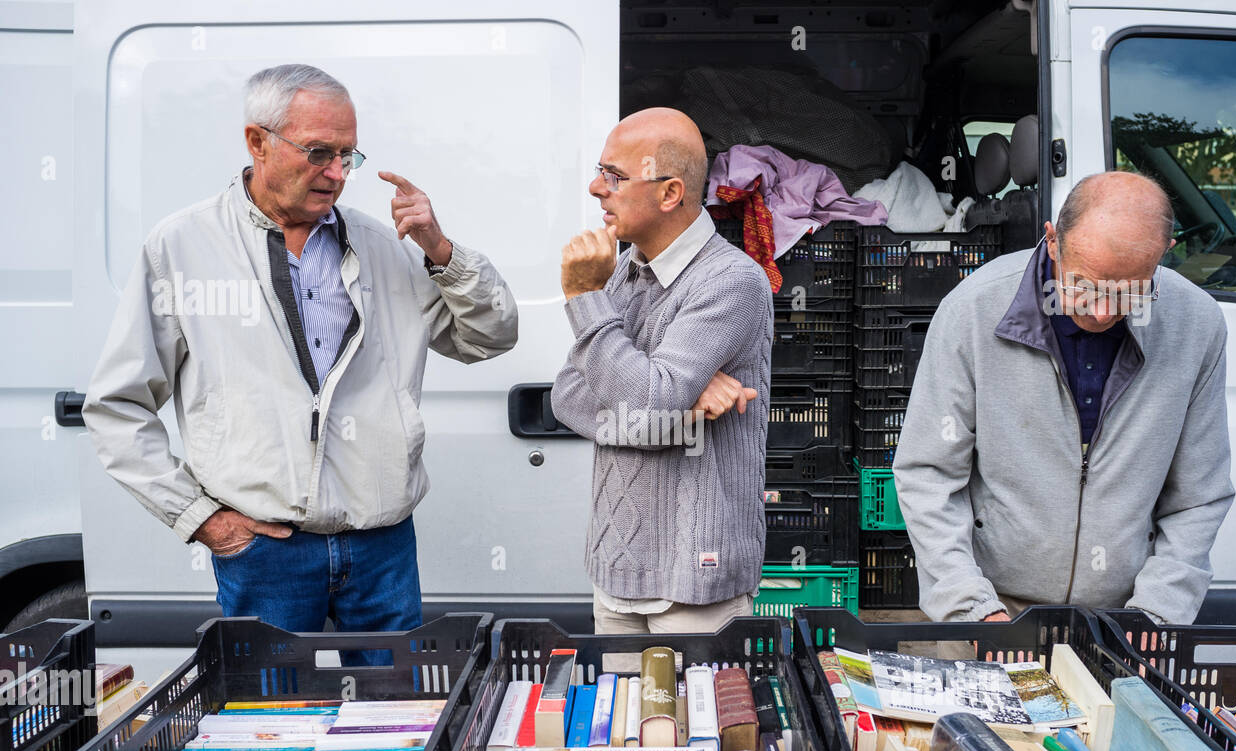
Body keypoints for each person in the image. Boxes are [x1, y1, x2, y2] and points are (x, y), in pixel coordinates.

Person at [82, 64, 518, 659]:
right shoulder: (181, 246)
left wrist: (442, 251)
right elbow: (115, 406)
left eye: (347, 155)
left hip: (382, 546)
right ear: (257, 142)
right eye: (318, 152)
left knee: (395, 725)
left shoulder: (389, 245)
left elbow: (489, 338)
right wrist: (203, 518)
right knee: (266, 731)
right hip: (265, 553)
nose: (337, 174)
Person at [892, 170, 1233, 625]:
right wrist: (970, 608)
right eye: (1086, 285)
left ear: (1162, 255)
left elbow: (1199, 495)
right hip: (993, 609)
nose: (1103, 312)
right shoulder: (973, 310)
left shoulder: (1197, 324)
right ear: (1052, 241)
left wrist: (1157, 612)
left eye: (1130, 291)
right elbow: (928, 473)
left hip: (1126, 619)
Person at [550, 107, 774, 635]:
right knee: (622, 719)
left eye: (614, 176)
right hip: (615, 573)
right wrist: (680, 409)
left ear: (670, 193)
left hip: (697, 582)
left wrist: (585, 298)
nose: (595, 187)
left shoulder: (732, 282)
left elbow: (644, 403)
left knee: (698, 721)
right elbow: (566, 396)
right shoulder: (623, 267)